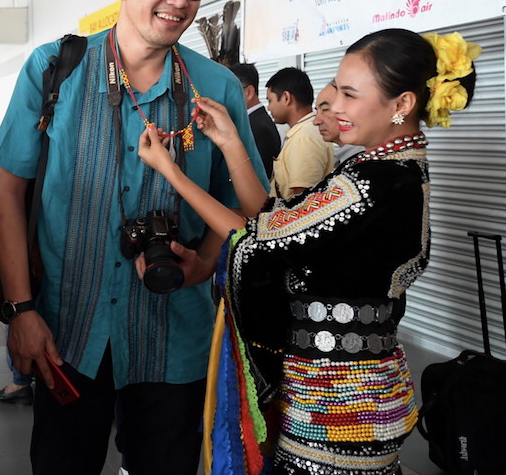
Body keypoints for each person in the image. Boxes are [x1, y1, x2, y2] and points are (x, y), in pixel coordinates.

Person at [0, 0, 267, 475]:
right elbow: (5, 190)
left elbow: (239, 202)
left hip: (174, 336)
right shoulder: (55, 70)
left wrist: (206, 261)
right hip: (67, 330)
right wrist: (21, 309)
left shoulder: (214, 87)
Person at [138, 27, 479, 474]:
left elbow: (260, 236)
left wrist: (170, 172)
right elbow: (278, 220)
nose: (333, 105)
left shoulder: (373, 185)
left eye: (350, 94)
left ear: (402, 105)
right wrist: (229, 142)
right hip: (347, 395)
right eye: (336, 88)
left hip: (340, 406)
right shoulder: (388, 169)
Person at [265, 67, 333, 199]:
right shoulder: (303, 131)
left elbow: (302, 199)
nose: (269, 107)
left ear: (286, 98)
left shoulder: (305, 137)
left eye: (270, 100)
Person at [229, 63, 280, 178]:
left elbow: (255, 177)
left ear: (249, 92)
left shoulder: (259, 128)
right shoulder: (253, 121)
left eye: (229, 92)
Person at [314, 82, 364, 166]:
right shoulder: (347, 159)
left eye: (325, 109)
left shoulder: (365, 164)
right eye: (317, 112)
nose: (316, 121)